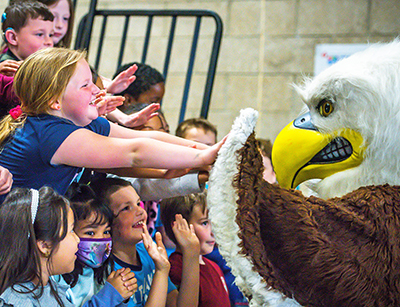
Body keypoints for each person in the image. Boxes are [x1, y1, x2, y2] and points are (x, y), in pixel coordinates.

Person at [0, 47, 226, 202]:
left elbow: (144, 138)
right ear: (55, 101)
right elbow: (134, 153)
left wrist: (207, 152)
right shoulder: (50, 134)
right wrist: (202, 159)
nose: (98, 90)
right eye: (85, 85)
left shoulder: (77, 123)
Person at [90, 177, 200, 307]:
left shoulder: (147, 253)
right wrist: (161, 271)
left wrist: (191, 254)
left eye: (138, 203)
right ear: (107, 222)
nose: (140, 211)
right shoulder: (108, 272)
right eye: (126, 208)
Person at [54, 183, 137, 307]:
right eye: (90, 233)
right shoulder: (56, 278)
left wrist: (122, 297)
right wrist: (110, 295)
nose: (101, 240)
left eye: (106, 232)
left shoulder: (105, 269)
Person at [0, 187, 79, 306]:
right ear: (44, 245)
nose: (77, 239)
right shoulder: (20, 302)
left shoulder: (49, 287)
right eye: (71, 231)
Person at [160, 192, 230, 307]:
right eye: (205, 223)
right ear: (179, 227)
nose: (213, 231)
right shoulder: (175, 269)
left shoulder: (213, 266)